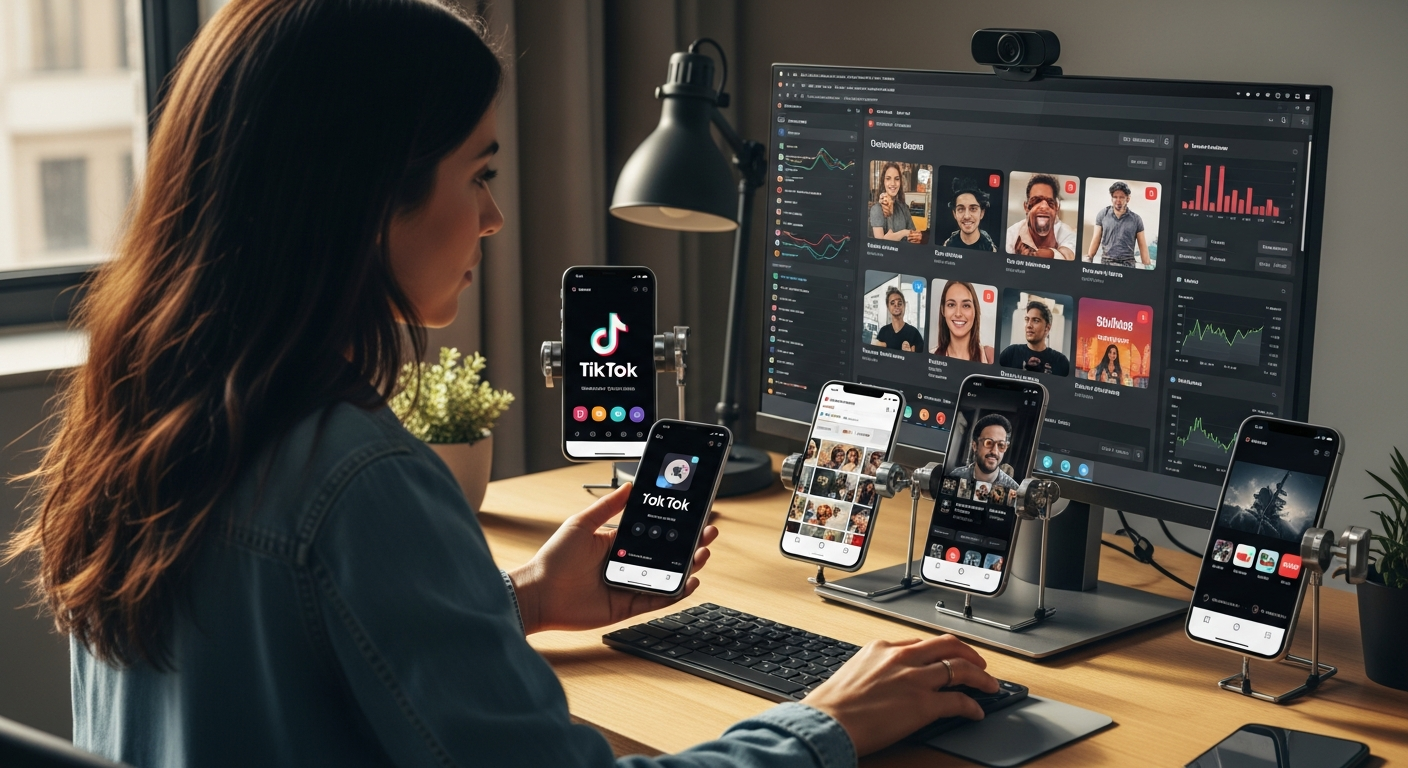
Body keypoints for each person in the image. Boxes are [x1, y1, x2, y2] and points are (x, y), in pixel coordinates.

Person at [3, 3, 999, 766]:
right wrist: (824, 722)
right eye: (477, 174)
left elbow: (301, 651)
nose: (493, 219)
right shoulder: (361, 481)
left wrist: (517, 597)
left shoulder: (156, 414)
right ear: (363, 200)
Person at [1005, 174, 1076, 259]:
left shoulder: (1067, 234)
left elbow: (1070, 256)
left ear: (1057, 208)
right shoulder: (1011, 236)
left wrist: (1050, 254)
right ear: (1026, 207)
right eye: (1036, 200)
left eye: (1050, 202)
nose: (1044, 206)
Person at [1084, 181, 1151, 267]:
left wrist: (1148, 266)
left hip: (1128, 265)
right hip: (1106, 263)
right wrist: (1089, 257)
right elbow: (1096, 238)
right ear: (1111, 198)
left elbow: (1143, 246)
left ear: (1128, 199)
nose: (1118, 200)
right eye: (1115, 197)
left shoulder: (1136, 219)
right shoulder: (1102, 214)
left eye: (1121, 197)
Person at [948, 414, 1021, 491]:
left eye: (1000, 445)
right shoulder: (955, 477)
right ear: (975, 446)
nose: (995, 451)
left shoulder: (1013, 489)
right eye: (989, 443)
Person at [998, 300, 1071, 376]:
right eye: (1027, 319)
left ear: (1047, 328)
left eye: (1035, 321)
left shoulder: (1060, 361)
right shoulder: (1010, 353)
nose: (1029, 325)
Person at [931, 281, 994, 363]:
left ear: (975, 310)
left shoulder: (991, 356)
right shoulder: (931, 356)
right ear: (943, 310)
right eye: (951, 305)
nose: (958, 313)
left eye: (966, 305)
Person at [869, 162, 924, 242]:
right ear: (883, 181)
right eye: (888, 178)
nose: (893, 183)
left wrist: (916, 237)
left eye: (897, 179)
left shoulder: (904, 207)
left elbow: (912, 234)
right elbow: (880, 246)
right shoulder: (876, 209)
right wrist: (903, 233)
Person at [941, 180, 997, 251]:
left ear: (982, 213)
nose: (967, 216)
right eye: (961, 209)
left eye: (973, 209)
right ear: (954, 214)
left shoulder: (989, 248)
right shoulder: (948, 246)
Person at [873, 286, 924, 352]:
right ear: (888, 307)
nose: (896, 305)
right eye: (892, 303)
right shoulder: (883, 332)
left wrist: (910, 354)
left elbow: (922, 359)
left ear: (904, 305)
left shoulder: (914, 333)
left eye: (899, 303)